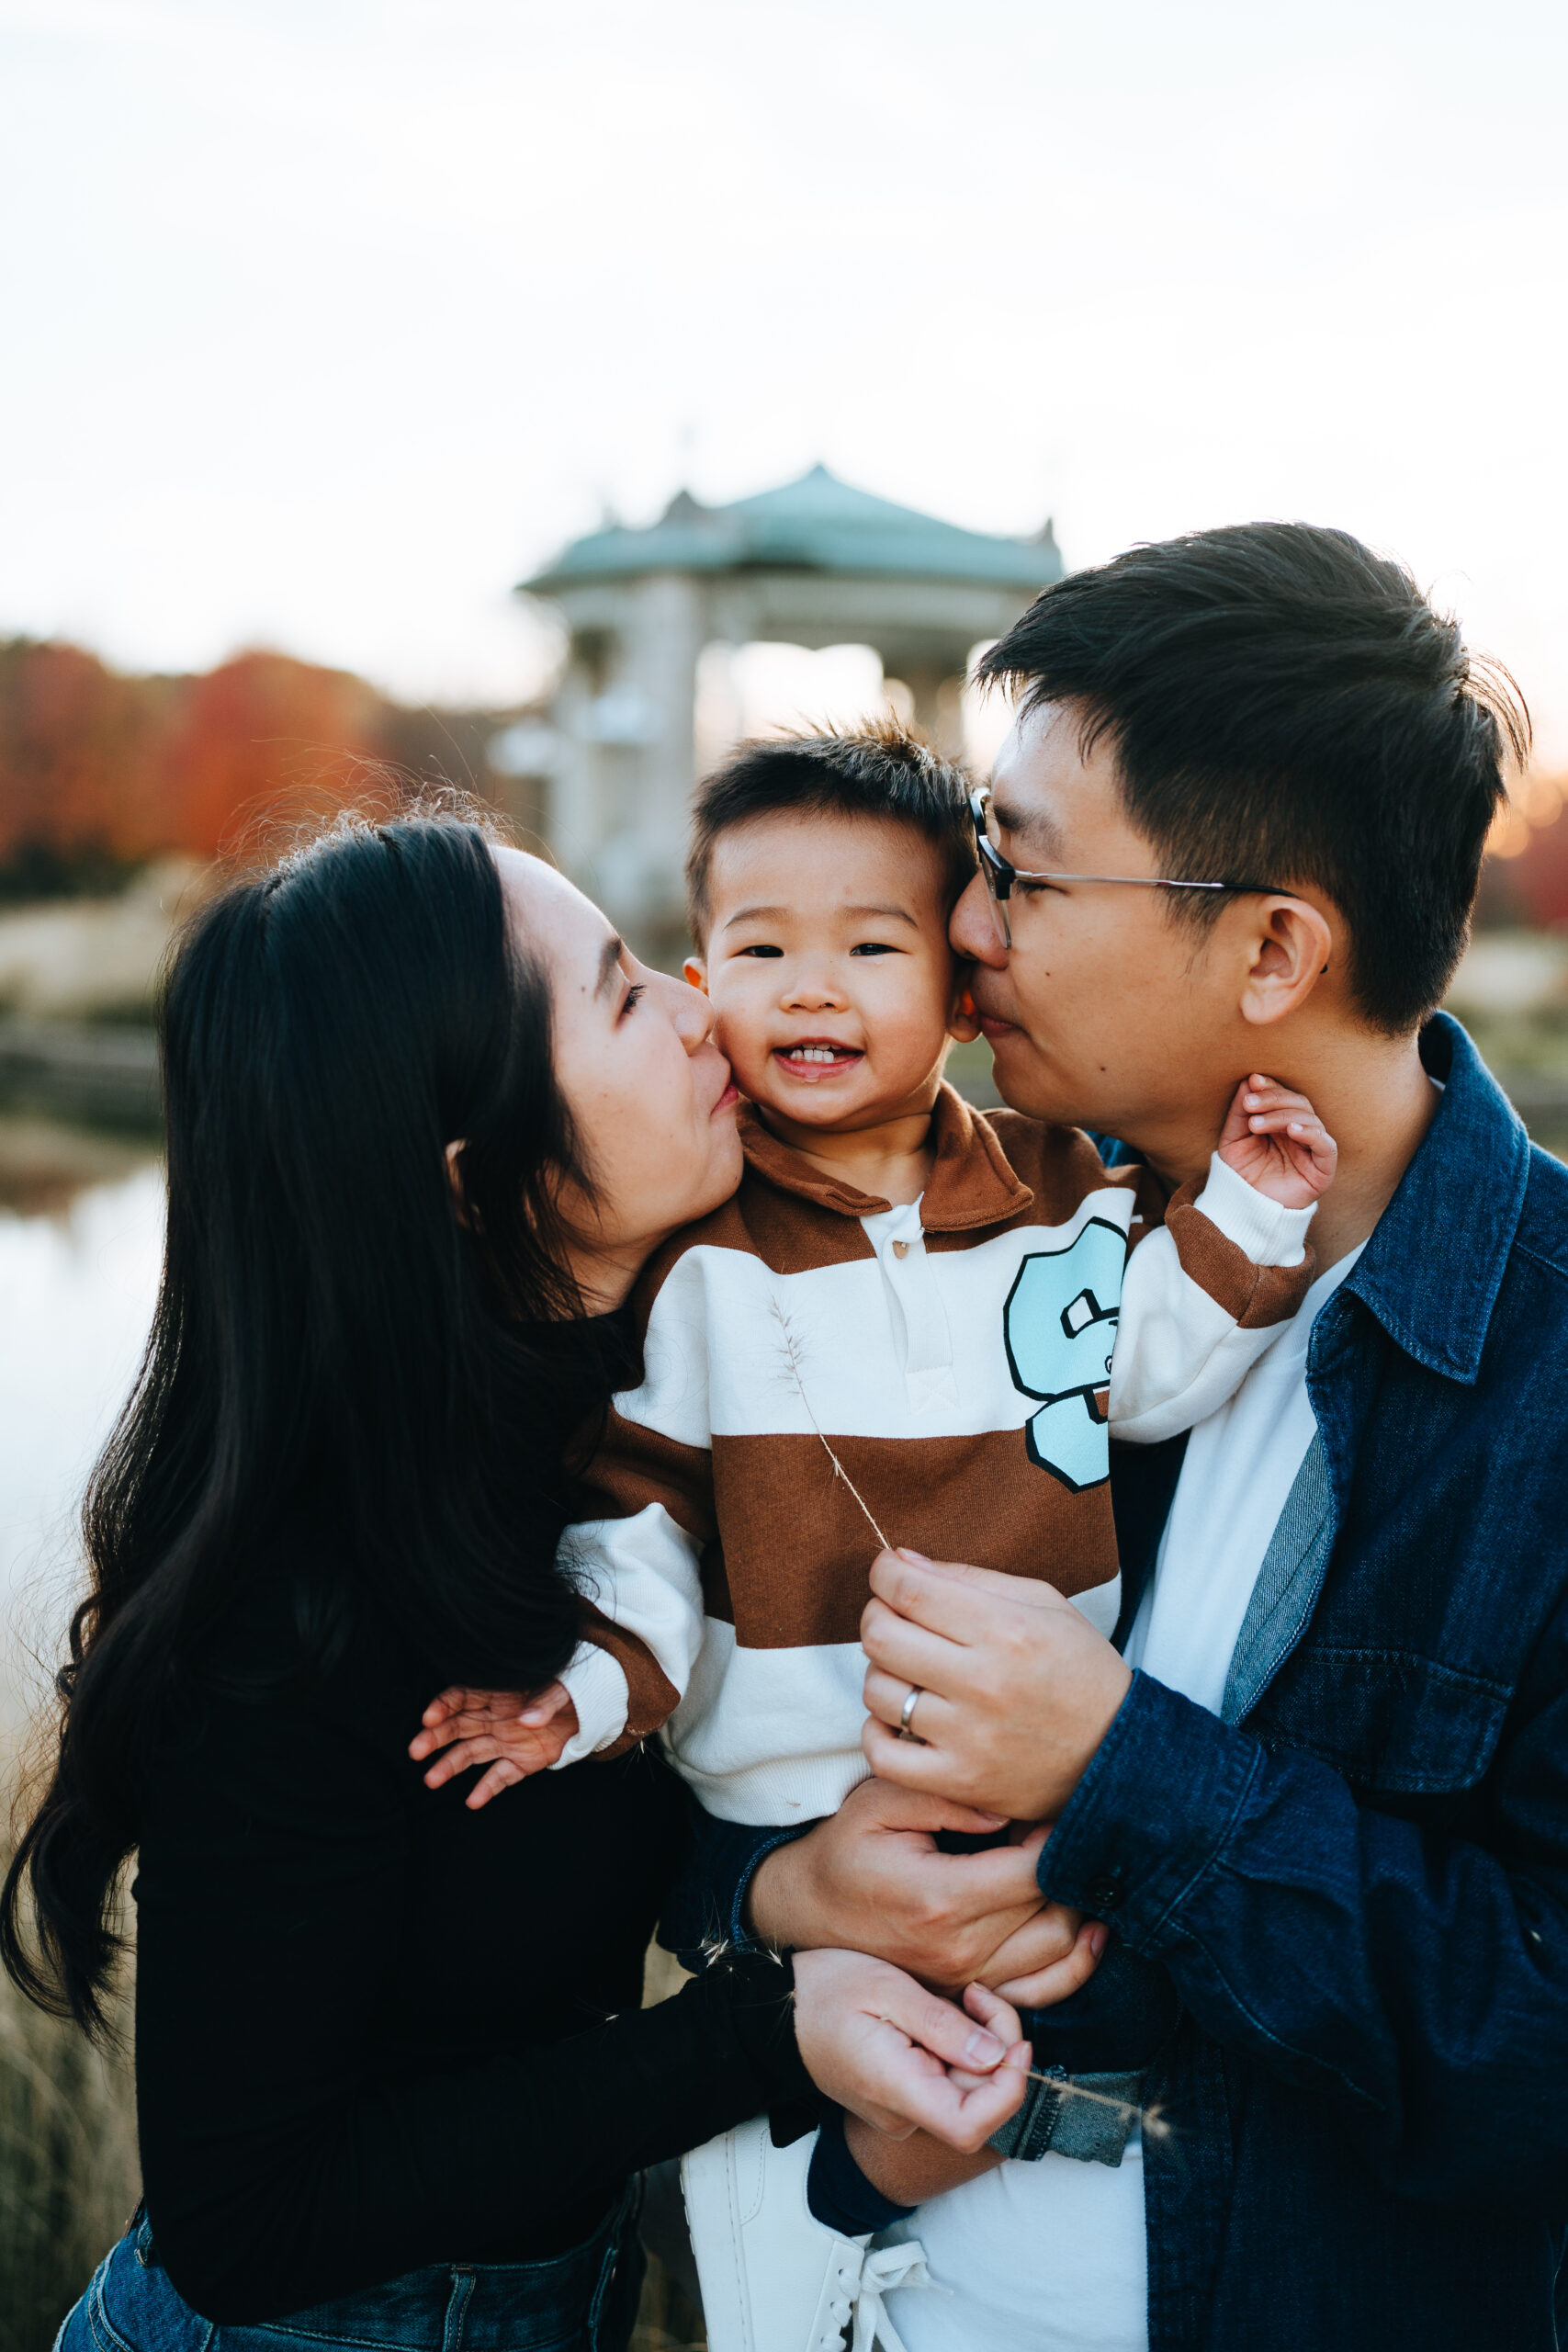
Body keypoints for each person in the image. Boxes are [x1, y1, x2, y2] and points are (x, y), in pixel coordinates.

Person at [666, 522, 1568, 2352]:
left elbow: (1530, 2042)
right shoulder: (976, 1249)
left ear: (1268, 947)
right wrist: (779, 1887)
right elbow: (696, 1739)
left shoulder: (1547, 1372)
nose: (961, 925)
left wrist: (1124, 1771)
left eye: (1021, 871)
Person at [0, 808, 1036, 2352]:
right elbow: (244, 2219)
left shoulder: (647, 1421)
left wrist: (785, 1887)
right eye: (624, 993)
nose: (705, 1006)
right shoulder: (306, 1601)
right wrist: (762, 2037)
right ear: (479, 1181)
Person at [412, 724, 1337, 2346]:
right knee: (802, 2175)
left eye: (871, 947)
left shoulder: (1062, 1202)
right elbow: (639, 1514)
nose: (812, 990)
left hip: (1022, 1775)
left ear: (961, 993)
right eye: (762, 950)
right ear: (706, 978)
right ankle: (810, 2254)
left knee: (1038, 2026)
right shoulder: (699, 1248)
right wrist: (587, 1689)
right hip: (791, 1801)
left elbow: (1151, 1372)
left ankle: (922, 2209)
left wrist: (1250, 1217)